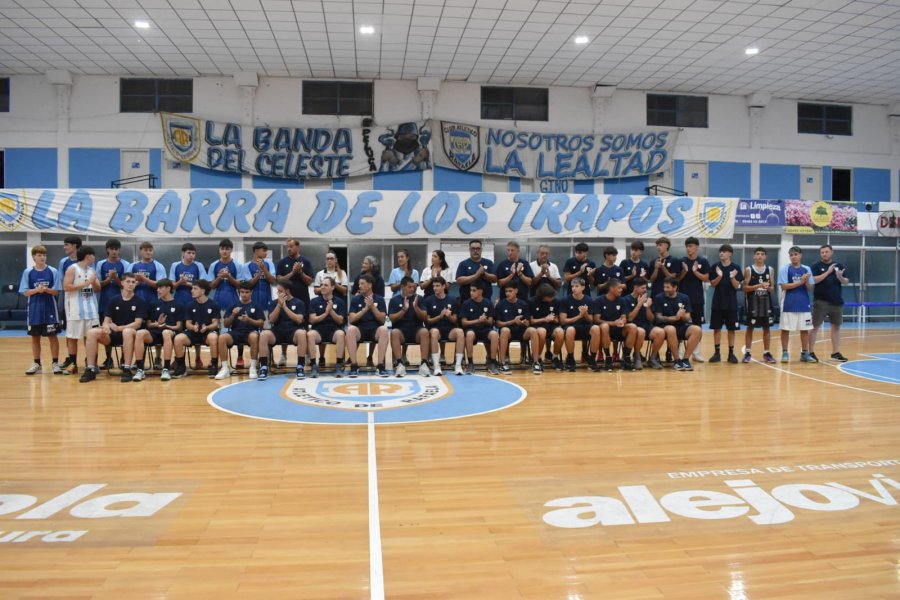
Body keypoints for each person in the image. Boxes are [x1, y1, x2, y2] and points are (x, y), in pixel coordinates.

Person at [80, 272, 145, 383]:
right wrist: (106, 326)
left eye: (133, 282)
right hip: (113, 335)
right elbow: (106, 320)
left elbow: (137, 324)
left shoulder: (140, 301)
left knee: (127, 331)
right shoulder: (113, 300)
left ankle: (126, 369)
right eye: (128, 281)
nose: (131, 284)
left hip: (131, 335)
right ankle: (90, 369)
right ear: (122, 283)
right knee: (91, 332)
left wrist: (119, 328)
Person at [20, 245, 62, 375]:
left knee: (53, 337)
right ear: (34, 257)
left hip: (50, 309)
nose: (42, 257)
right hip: (34, 310)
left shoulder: (53, 271)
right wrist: (36, 290)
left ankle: (55, 363)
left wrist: (46, 290)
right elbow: (25, 292)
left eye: (44, 255)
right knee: (35, 337)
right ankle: (37, 364)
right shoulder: (28, 272)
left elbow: (56, 292)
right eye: (39, 255)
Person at [61, 245, 100, 376]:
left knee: (91, 337)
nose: (94, 258)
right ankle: (73, 364)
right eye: (93, 255)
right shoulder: (72, 268)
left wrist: (93, 282)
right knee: (73, 338)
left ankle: (92, 364)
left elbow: (98, 289)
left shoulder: (92, 270)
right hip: (75, 310)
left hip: (91, 310)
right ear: (88, 256)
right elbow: (66, 286)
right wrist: (86, 283)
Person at [134, 278, 183, 382]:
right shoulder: (153, 303)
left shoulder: (178, 304)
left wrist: (166, 326)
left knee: (166, 332)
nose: (158, 290)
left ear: (168, 288)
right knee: (140, 333)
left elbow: (179, 327)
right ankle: (140, 370)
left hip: (171, 334)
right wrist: (157, 324)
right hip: (155, 333)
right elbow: (148, 324)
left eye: (160, 288)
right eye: (157, 288)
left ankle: (166, 369)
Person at [275, 238, 313, 368]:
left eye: (291, 246)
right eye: (288, 246)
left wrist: (300, 272)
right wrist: (293, 272)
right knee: (283, 324)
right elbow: (279, 280)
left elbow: (309, 281)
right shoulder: (282, 262)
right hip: (286, 299)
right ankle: (283, 354)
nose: (289, 249)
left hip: (303, 299)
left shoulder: (305, 262)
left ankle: (307, 354)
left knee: (304, 326)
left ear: (298, 247)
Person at [171, 280, 221, 379]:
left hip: (207, 332)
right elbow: (188, 324)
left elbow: (215, 324)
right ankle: (181, 367)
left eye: (195, 289)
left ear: (203, 291)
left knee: (213, 337)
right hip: (193, 332)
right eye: (192, 288)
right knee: (178, 338)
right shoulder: (189, 305)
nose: (192, 291)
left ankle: (214, 365)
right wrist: (193, 327)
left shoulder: (214, 304)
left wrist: (207, 327)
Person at [258, 282, 307, 381]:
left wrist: (285, 307)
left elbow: (299, 320)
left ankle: (300, 366)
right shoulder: (274, 303)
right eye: (278, 291)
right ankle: (263, 367)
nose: (278, 293)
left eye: (280, 291)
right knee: (263, 334)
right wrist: (279, 306)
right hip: (277, 331)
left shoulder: (299, 303)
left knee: (302, 333)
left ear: (287, 291)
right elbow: (271, 320)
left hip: (293, 331)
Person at [215, 282, 264, 380]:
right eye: (242, 292)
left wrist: (249, 320)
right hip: (235, 332)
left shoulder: (256, 305)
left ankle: (253, 367)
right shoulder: (233, 305)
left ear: (251, 292)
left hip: (250, 332)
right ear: (239, 292)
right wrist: (233, 315)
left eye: (247, 292)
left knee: (254, 336)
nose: (244, 294)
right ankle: (225, 368)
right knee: (222, 337)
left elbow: (261, 324)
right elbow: (226, 324)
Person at [417, 276, 465, 375]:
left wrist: (449, 316)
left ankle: (458, 365)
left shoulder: (453, 300)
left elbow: (455, 320)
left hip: (449, 330)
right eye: (433, 286)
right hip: (435, 329)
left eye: (437, 286)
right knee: (434, 332)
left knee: (460, 332)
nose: (435, 288)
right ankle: (436, 366)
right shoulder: (428, 300)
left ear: (444, 286)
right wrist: (440, 316)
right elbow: (428, 321)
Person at [169, 242, 207, 369]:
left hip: (195, 302)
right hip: (179, 302)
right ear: (183, 253)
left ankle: (198, 358)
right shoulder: (175, 265)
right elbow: (172, 286)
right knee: (179, 331)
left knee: (196, 329)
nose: (191, 255)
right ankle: (178, 359)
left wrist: (188, 284)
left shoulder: (198, 266)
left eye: (193, 253)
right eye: (189, 253)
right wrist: (180, 282)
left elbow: (203, 285)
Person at [652, 277, 702, 371]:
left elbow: (687, 318)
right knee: (671, 329)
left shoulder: (684, 298)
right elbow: (658, 317)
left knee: (697, 329)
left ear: (675, 287)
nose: (665, 289)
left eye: (668, 287)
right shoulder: (659, 297)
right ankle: (677, 360)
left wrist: (682, 315)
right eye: (664, 287)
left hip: (681, 326)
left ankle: (685, 359)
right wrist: (675, 317)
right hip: (664, 327)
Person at [810, 244, 850, 362]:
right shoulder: (816, 266)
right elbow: (813, 280)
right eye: (822, 252)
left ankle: (835, 353)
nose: (824, 254)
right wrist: (828, 272)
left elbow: (846, 281)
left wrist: (840, 277)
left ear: (831, 252)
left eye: (826, 252)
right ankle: (810, 352)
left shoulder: (839, 266)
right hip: (821, 301)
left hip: (836, 302)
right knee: (814, 327)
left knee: (836, 327)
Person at [347, 273, 390, 378]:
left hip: (375, 330)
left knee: (384, 330)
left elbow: (382, 320)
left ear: (370, 285)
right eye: (359, 284)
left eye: (362, 283)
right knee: (351, 329)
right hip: (360, 330)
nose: (359, 286)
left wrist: (372, 307)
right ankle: (354, 366)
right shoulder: (355, 299)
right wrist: (365, 309)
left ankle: (380, 366)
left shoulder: (379, 299)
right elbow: (351, 319)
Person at [778, 246, 816, 363]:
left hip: (804, 303)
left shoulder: (806, 269)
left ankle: (804, 353)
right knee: (785, 329)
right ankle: (785, 352)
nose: (793, 257)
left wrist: (806, 281)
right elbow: (783, 286)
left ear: (800, 255)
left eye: (795, 254)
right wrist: (800, 281)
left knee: (805, 329)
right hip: (788, 303)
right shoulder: (785, 269)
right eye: (791, 255)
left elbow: (810, 288)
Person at [708, 244, 743, 364]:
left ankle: (731, 353)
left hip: (731, 303)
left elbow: (737, 286)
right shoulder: (715, 267)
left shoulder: (735, 267)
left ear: (730, 254)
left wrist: (732, 277)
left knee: (731, 329)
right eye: (720, 251)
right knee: (716, 328)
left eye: (724, 251)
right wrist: (719, 276)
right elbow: (712, 284)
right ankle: (717, 353)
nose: (721, 253)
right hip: (717, 302)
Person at [389, 276, 430, 377]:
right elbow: (392, 318)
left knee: (425, 331)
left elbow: (424, 317)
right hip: (401, 331)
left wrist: (416, 307)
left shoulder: (419, 299)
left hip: (416, 330)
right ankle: (399, 364)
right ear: (402, 287)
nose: (412, 289)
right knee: (394, 332)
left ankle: (424, 364)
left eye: (413, 287)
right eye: (409, 287)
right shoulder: (394, 300)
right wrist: (404, 309)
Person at [594, 278, 639, 371]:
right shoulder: (599, 300)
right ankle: (608, 358)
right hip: (605, 330)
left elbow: (624, 316)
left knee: (633, 327)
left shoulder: (622, 300)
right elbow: (596, 319)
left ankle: (626, 358)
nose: (621, 290)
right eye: (619, 288)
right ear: (611, 289)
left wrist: (622, 321)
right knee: (604, 326)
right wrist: (613, 323)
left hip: (619, 329)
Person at [306, 276, 347, 378]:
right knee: (310, 334)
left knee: (341, 334)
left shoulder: (340, 301)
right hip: (318, 330)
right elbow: (312, 320)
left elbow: (340, 321)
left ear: (332, 287)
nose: (322, 287)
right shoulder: (314, 301)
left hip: (334, 330)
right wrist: (326, 313)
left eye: (325, 285)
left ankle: (338, 365)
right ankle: (313, 366)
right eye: (321, 285)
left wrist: (331, 311)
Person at [679, 237, 710, 363]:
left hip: (697, 298)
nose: (688, 248)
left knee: (697, 326)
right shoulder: (682, 261)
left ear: (697, 247)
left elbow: (706, 278)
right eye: (687, 246)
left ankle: (696, 353)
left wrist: (695, 272)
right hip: (682, 299)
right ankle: (680, 353)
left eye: (691, 246)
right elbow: (676, 280)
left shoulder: (703, 261)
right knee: (681, 325)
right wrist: (685, 271)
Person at [742, 248, 776, 364]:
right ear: (754, 256)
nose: (760, 256)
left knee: (766, 328)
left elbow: (772, 288)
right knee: (750, 328)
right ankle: (747, 352)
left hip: (766, 303)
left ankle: (766, 353)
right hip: (753, 303)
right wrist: (758, 286)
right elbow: (745, 288)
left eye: (762, 254)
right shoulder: (749, 270)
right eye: (757, 254)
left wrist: (768, 288)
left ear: (765, 257)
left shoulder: (770, 269)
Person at [494, 283, 537, 375]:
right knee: (504, 330)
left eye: (510, 291)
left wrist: (523, 322)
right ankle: (502, 363)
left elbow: (528, 322)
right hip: (508, 332)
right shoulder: (500, 305)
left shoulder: (523, 304)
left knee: (533, 331)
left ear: (516, 291)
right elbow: (498, 323)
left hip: (521, 331)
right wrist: (513, 321)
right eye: (506, 291)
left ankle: (536, 362)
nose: (508, 293)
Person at [559, 277, 600, 372]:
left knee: (596, 328)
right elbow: (563, 321)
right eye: (572, 286)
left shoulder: (589, 300)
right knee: (570, 330)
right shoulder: (565, 300)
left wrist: (585, 314)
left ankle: (592, 359)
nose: (573, 288)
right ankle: (570, 359)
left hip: (585, 326)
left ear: (583, 287)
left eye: (576, 286)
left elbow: (591, 320)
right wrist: (579, 316)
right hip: (571, 326)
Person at [622, 277, 663, 370]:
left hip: (646, 325)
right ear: (635, 287)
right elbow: (630, 318)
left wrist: (647, 307)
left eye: (646, 288)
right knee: (641, 332)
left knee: (660, 332)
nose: (645, 290)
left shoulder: (648, 299)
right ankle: (637, 357)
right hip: (633, 327)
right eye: (643, 288)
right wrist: (639, 304)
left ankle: (653, 358)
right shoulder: (626, 299)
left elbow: (651, 319)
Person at [459, 283, 499, 375]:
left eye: (474, 290)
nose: (471, 293)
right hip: (472, 329)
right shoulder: (466, 303)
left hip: (485, 329)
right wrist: (477, 320)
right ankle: (470, 363)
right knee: (469, 335)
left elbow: (491, 322)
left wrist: (485, 320)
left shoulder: (488, 303)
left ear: (480, 291)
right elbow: (464, 322)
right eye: (470, 290)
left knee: (494, 334)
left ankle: (492, 362)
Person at [528, 283, 564, 373]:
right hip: (538, 326)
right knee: (542, 331)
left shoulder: (556, 302)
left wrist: (553, 319)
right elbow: (531, 321)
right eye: (550, 296)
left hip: (551, 326)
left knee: (560, 332)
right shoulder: (532, 301)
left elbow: (558, 319)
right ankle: (538, 357)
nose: (552, 298)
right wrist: (545, 319)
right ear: (544, 296)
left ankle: (555, 357)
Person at [208, 238, 245, 315]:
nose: (224, 251)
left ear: (231, 250)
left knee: (232, 322)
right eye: (222, 249)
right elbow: (211, 286)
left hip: (233, 301)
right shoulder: (213, 265)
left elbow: (240, 286)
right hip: (216, 302)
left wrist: (229, 277)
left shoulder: (237, 265)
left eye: (227, 249)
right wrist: (219, 277)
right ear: (219, 250)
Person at [97, 238, 129, 324]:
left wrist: (115, 278)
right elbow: (98, 285)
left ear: (119, 250)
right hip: (104, 302)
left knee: (119, 329)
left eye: (116, 249)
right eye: (112, 249)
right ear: (107, 249)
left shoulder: (125, 264)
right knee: (104, 329)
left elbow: (127, 286)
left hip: (121, 302)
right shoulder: (100, 264)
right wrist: (109, 279)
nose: (114, 251)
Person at [57, 235, 82, 338]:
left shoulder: (85, 260)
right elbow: (61, 280)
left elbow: (90, 280)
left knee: (86, 329)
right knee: (69, 328)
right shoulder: (63, 262)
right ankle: (70, 349)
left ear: (74, 246)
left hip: (82, 298)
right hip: (68, 298)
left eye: (66, 245)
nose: (64, 247)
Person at [246, 241, 276, 311]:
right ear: (256, 250)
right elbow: (249, 285)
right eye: (264, 250)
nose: (266, 253)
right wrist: (259, 273)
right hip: (252, 300)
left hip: (267, 299)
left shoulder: (269, 263)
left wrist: (264, 269)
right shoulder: (247, 265)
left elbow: (273, 282)